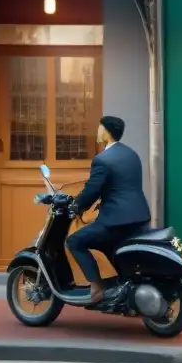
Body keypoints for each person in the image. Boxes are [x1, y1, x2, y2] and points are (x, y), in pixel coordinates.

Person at [66, 116, 152, 305]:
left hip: (115, 220)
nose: (97, 132)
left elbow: (92, 189)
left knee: (75, 241)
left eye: (99, 128)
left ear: (106, 132)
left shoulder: (102, 160)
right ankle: (123, 285)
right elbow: (121, 185)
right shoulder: (131, 154)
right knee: (108, 245)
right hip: (139, 216)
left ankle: (97, 286)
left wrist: (77, 206)